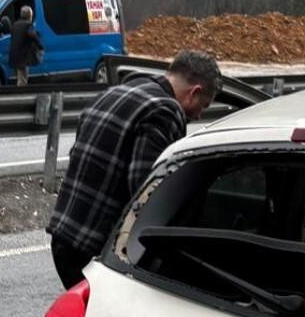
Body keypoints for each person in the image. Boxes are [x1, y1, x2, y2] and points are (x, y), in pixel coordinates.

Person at [46, 50, 222, 289]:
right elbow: (145, 189)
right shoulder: (166, 110)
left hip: (65, 234)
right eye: (204, 106)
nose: (199, 114)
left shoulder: (115, 92)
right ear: (195, 92)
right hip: (96, 248)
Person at [9, 5, 42, 87]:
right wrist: (40, 46)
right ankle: (20, 97)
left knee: (19, 77)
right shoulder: (28, 25)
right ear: (30, 16)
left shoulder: (15, 24)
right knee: (22, 81)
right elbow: (33, 36)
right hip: (22, 57)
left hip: (13, 55)